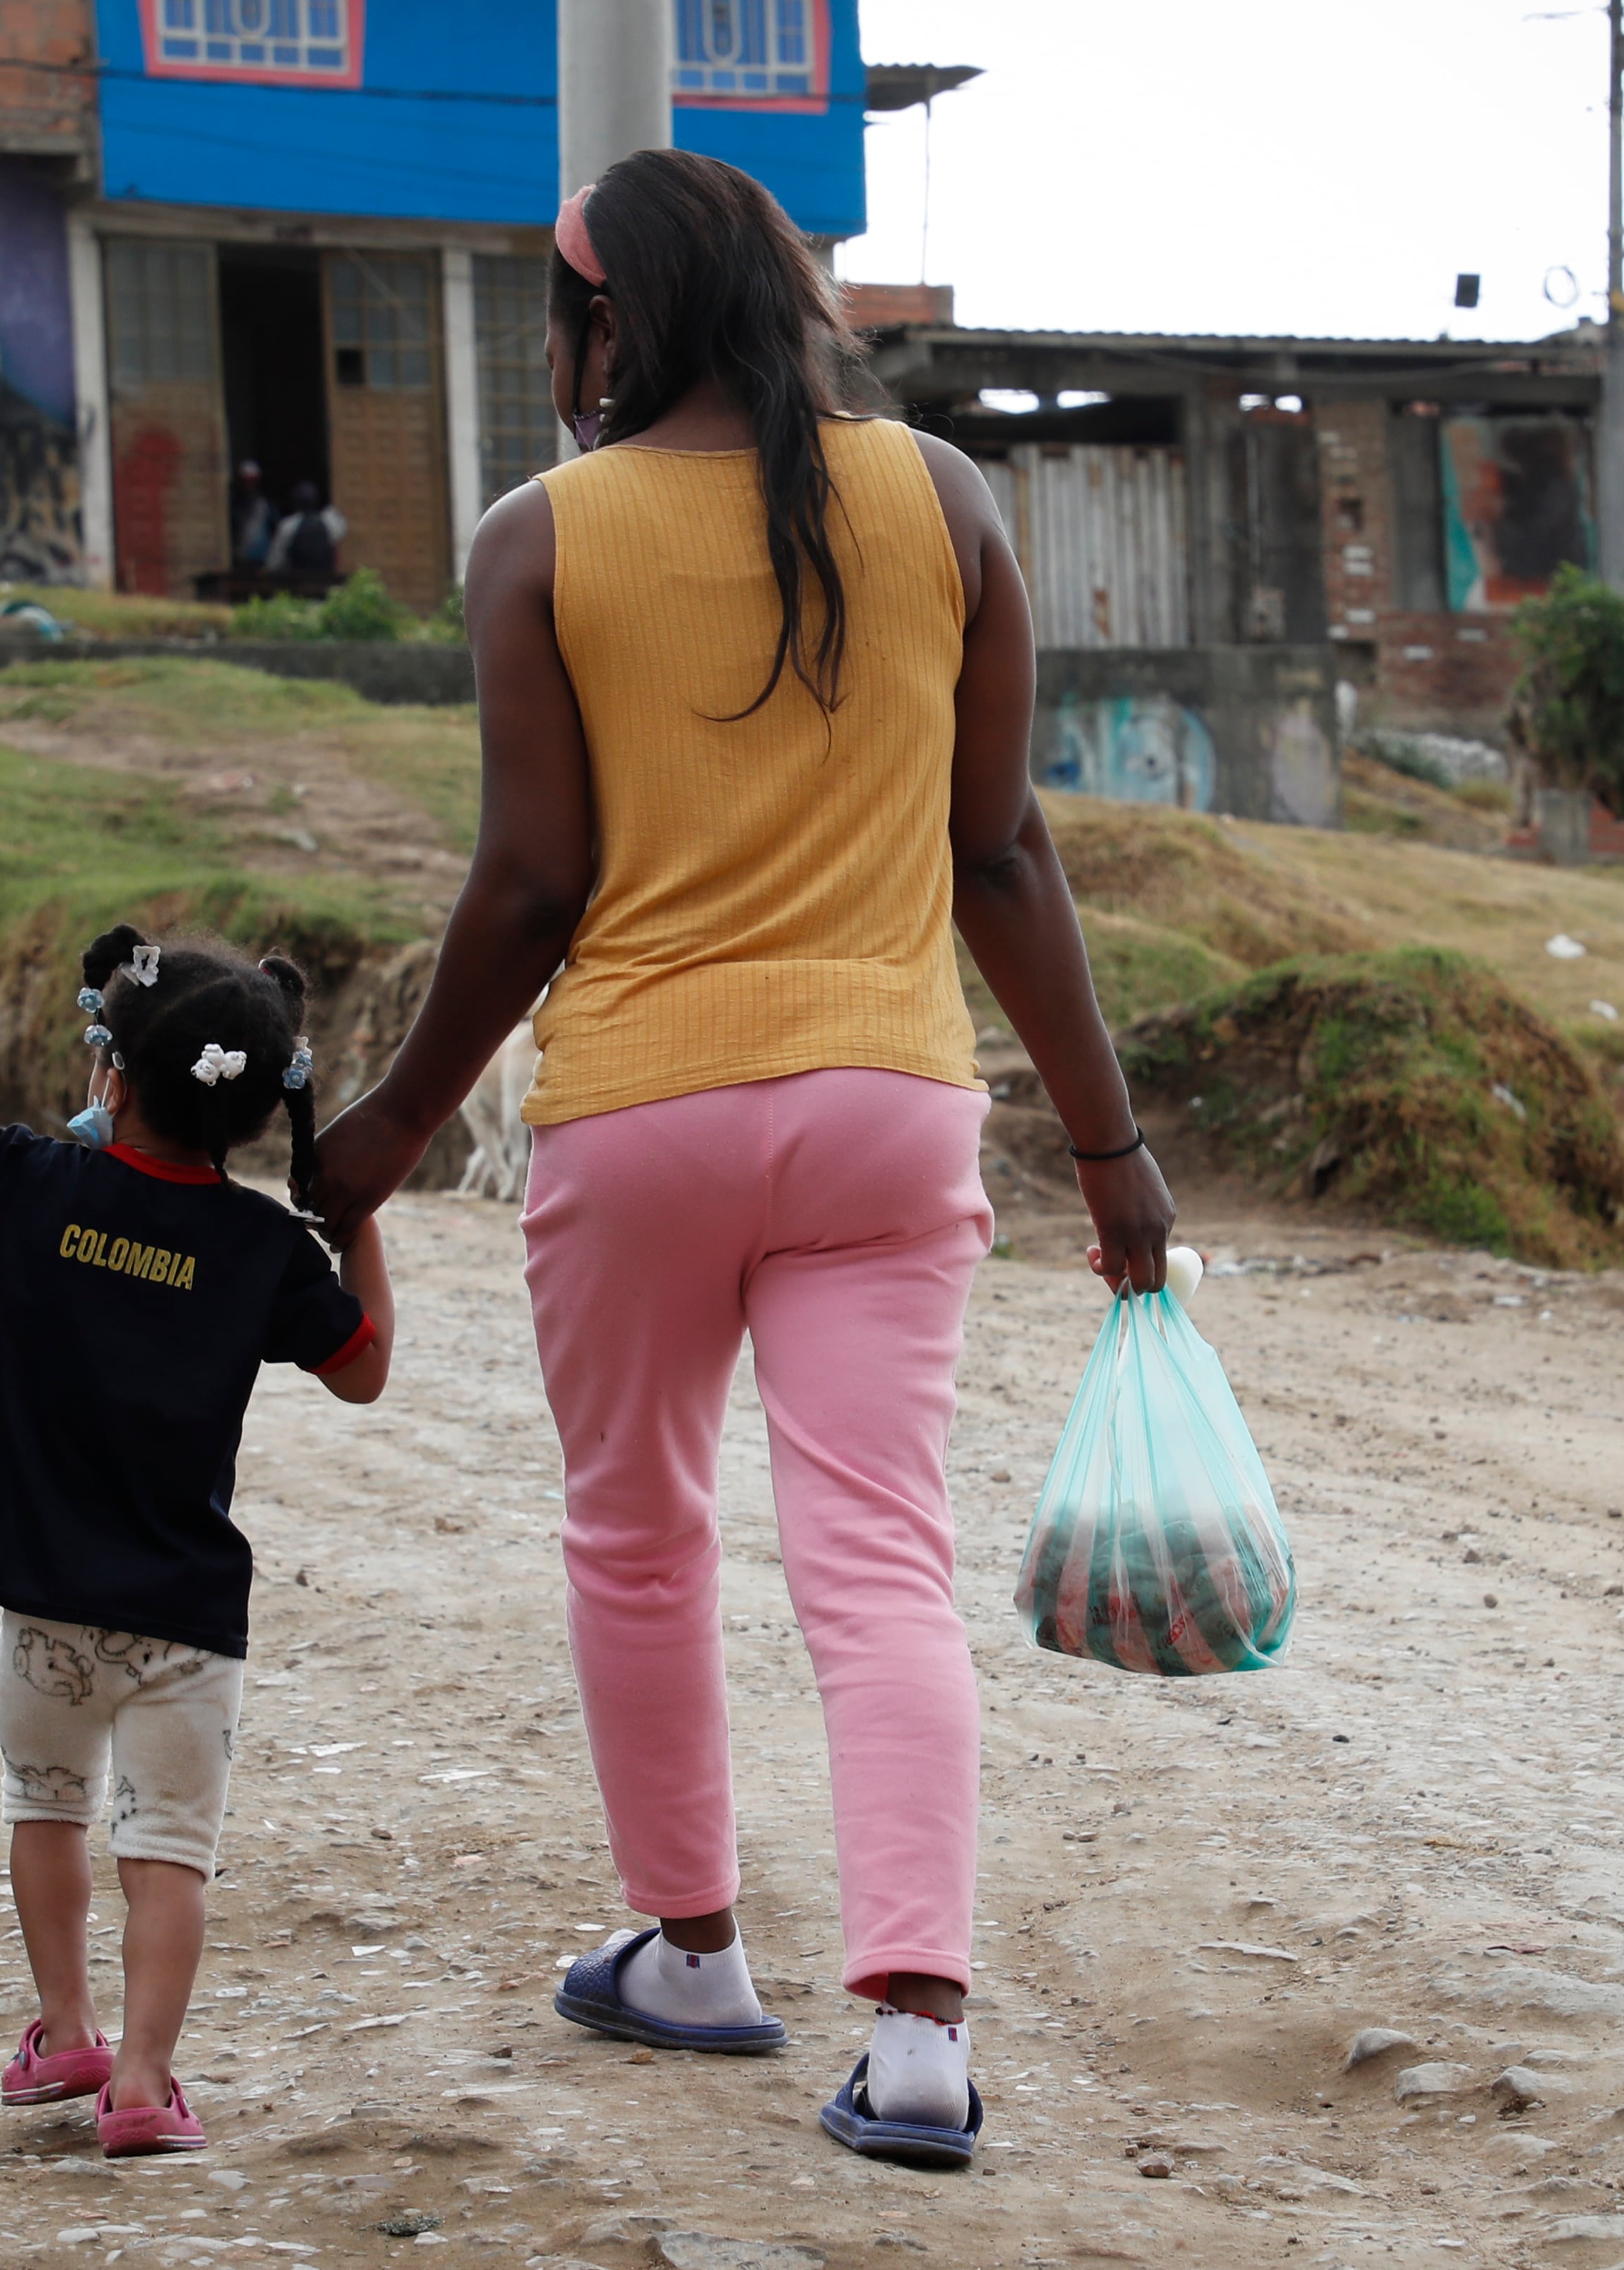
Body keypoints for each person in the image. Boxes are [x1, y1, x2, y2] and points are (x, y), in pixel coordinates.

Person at [304, 150, 1175, 2171]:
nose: (547, 348)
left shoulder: (539, 538)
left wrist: (383, 1129)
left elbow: (530, 885)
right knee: (876, 1559)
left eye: (553, 309)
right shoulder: (942, 501)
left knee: (638, 1534)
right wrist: (1110, 1151)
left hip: (638, 1110)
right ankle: (921, 2040)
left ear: (611, 320)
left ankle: (691, 1948)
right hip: (888, 1100)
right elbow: (999, 856)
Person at [0, 924, 393, 2156]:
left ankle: (64, 2030)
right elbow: (363, 1367)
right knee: (170, 1850)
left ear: (113, 1074)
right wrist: (357, 1217)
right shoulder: (264, 1248)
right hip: (186, 1624)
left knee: (48, 1807)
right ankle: (148, 2082)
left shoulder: (34, 1184)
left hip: (45, 1604)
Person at [267, 481, 347, 587]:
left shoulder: (289, 526)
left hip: (298, 585)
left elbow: (274, 562)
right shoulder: (331, 523)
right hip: (324, 584)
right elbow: (341, 529)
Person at [231, 460, 273, 570]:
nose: (250, 484)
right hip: (242, 555)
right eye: (247, 481)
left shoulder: (264, 503)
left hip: (263, 556)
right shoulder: (235, 504)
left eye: (253, 480)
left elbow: (274, 525)